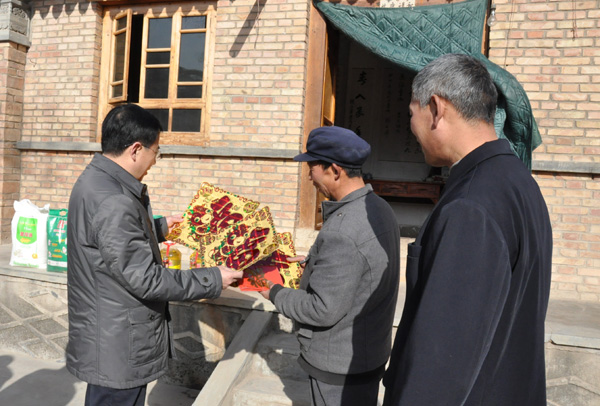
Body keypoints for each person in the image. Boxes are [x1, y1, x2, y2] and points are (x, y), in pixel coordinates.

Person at [383, 54, 552, 405]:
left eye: (411, 114)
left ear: (435, 108)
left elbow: (441, 364)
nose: (412, 127)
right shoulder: (518, 181)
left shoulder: (471, 206)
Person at [66, 104, 243, 406]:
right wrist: (213, 278)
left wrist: (159, 228)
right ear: (136, 149)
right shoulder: (115, 200)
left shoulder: (94, 182)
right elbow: (146, 279)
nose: (154, 162)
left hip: (105, 332)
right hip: (119, 343)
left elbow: (107, 242)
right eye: (155, 152)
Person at [261, 126, 401, 406]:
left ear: (335, 171)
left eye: (312, 168)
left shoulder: (343, 230)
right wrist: (313, 263)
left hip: (338, 367)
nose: (309, 177)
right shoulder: (379, 208)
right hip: (366, 353)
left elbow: (321, 309)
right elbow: (363, 270)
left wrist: (273, 292)